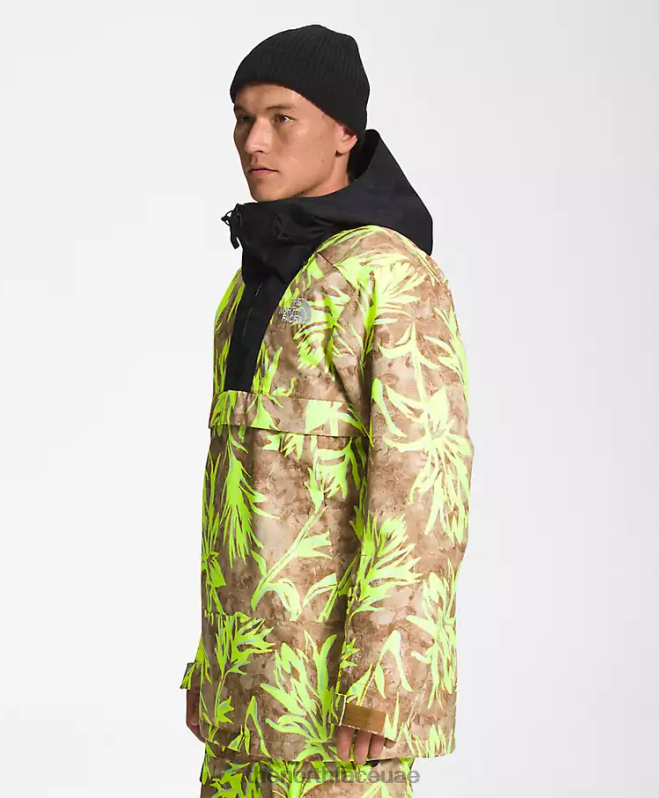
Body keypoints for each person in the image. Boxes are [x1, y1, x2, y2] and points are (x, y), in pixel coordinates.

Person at [179, 23, 475, 797]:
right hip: (247, 700)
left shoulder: (391, 276)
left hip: (338, 714)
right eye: (243, 117)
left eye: (282, 117)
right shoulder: (253, 282)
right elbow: (241, 502)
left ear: (345, 132)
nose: (253, 140)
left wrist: (387, 681)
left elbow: (422, 490)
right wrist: (212, 668)